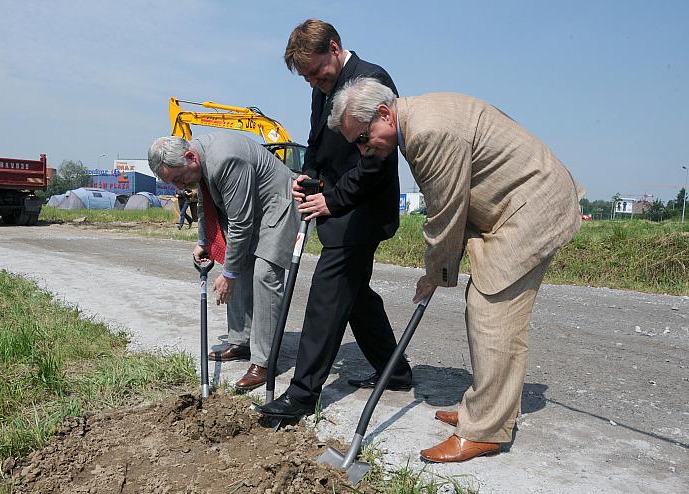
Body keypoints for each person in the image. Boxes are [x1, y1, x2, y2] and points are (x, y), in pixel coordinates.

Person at [326, 77, 585, 462]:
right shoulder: (416, 122)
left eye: (363, 138)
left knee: (492, 309)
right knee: (483, 303)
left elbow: (445, 215)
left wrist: (435, 273)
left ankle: (485, 430)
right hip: (508, 206)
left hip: (533, 207)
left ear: (384, 113)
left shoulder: (428, 132)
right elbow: (454, 204)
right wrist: (442, 268)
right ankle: (481, 409)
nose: (364, 150)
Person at [257, 19, 411, 419]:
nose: (311, 81)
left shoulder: (372, 80)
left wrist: (332, 200)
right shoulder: (322, 87)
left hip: (360, 210)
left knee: (327, 294)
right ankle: (394, 372)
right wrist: (306, 175)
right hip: (335, 204)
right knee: (355, 296)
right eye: (305, 76)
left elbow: (377, 161)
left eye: (315, 71)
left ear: (334, 47)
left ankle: (302, 395)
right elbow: (317, 141)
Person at [148, 133, 300, 391]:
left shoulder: (225, 159)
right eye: (171, 182)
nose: (177, 186)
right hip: (255, 209)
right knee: (237, 264)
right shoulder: (198, 161)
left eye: (176, 178)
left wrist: (228, 274)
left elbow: (240, 222)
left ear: (189, 157)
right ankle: (241, 342)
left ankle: (264, 361)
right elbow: (207, 204)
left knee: (264, 274)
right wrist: (203, 242)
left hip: (280, 205)